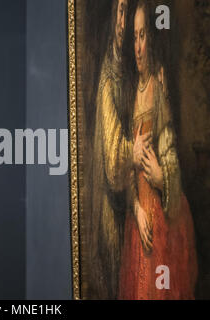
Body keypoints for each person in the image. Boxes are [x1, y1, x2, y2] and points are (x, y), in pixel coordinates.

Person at [119, 0, 197, 299]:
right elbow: (127, 171)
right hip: (139, 223)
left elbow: (171, 157)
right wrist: (136, 208)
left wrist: (162, 179)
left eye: (143, 36)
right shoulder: (130, 97)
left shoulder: (159, 85)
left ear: (152, 37)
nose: (138, 46)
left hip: (163, 217)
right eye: (134, 37)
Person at [90, 0, 150, 299]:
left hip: (132, 202)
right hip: (112, 209)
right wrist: (133, 150)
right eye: (121, 10)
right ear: (114, 14)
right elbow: (114, 161)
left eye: (128, 12)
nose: (124, 22)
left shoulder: (127, 68)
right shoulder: (108, 77)